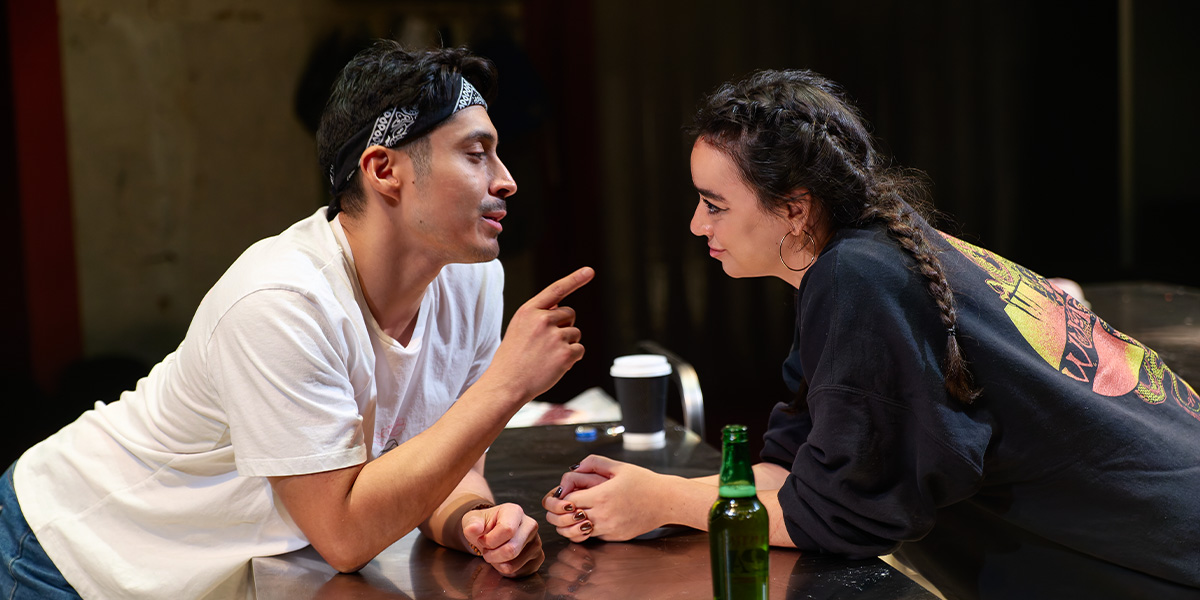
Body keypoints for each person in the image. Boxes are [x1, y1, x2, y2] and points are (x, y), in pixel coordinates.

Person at [542, 69, 1200, 599]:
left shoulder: (858, 274)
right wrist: (646, 496)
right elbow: (798, 463)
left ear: (794, 209)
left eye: (714, 204)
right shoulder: (860, 256)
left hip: (1161, 554)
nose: (696, 224)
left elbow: (846, 514)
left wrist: (665, 498)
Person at [1, 41, 594, 600]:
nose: (506, 179)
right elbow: (345, 537)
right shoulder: (282, 301)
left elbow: (443, 465)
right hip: (66, 548)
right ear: (384, 170)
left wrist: (476, 521)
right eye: (476, 154)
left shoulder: (472, 280)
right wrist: (508, 382)